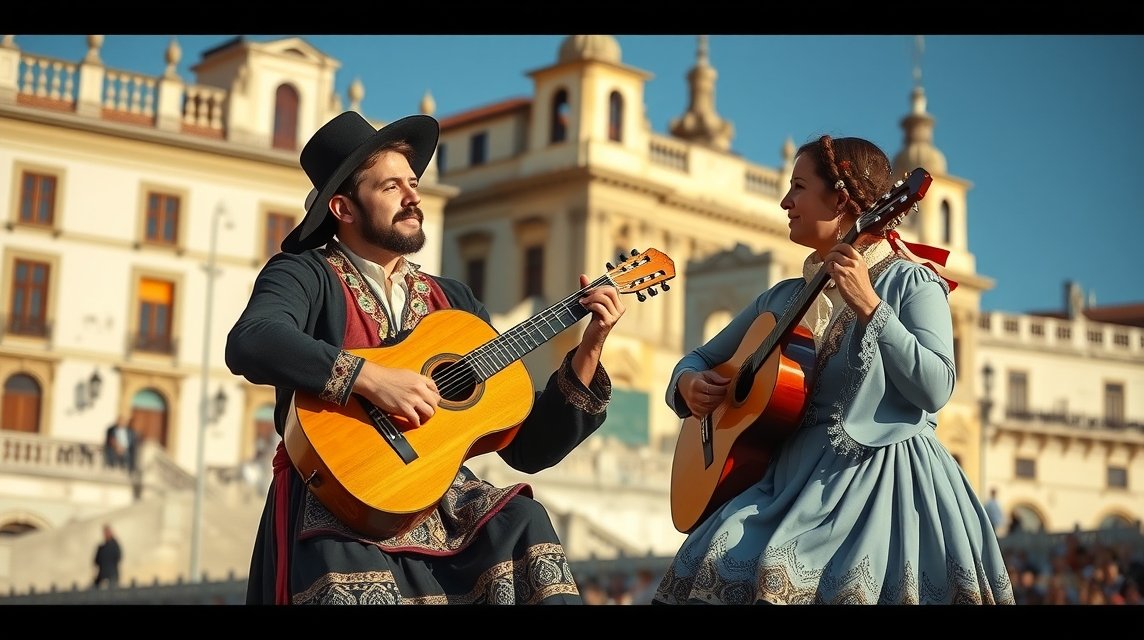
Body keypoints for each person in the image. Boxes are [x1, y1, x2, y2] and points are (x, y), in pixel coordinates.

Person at [225, 111, 626, 605]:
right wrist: (369, 378)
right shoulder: (305, 273)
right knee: (347, 567)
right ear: (343, 208)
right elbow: (252, 339)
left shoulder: (453, 300)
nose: (413, 197)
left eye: (413, 183)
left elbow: (527, 449)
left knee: (523, 522)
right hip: (340, 497)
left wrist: (590, 345)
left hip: (440, 501)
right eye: (391, 186)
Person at [653, 135, 1014, 605]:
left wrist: (871, 306)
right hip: (788, 481)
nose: (785, 201)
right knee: (706, 556)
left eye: (798, 187)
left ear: (841, 198)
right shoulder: (781, 299)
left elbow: (936, 386)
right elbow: (695, 359)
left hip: (882, 483)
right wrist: (689, 383)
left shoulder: (912, 281)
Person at [92, 524, 122, 588]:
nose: (106, 534)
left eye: (107, 532)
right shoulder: (101, 547)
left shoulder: (115, 546)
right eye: (105, 532)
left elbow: (118, 557)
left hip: (112, 576)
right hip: (102, 576)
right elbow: (96, 561)